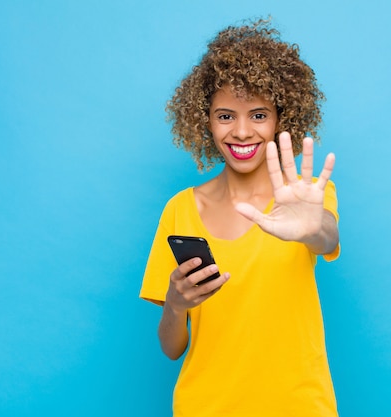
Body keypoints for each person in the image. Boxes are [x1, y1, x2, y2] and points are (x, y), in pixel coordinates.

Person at [140, 18, 341, 417]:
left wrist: (312, 228)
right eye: (226, 115)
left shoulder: (306, 195)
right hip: (205, 407)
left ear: (283, 118)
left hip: (300, 406)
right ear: (205, 121)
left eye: (259, 115)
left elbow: (328, 239)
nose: (243, 132)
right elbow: (171, 348)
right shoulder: (180, 209)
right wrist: (175, 306)